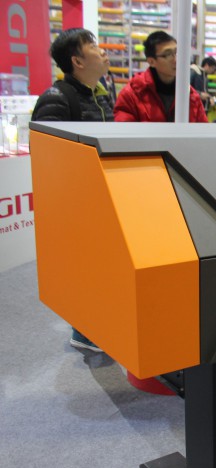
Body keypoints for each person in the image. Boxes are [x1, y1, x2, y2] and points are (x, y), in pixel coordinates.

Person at [32, 27, 115, 354]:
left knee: (103, 264)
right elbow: (47, 157)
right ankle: (84, 330)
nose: (102, 50)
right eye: (93, 46)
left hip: (102, 195)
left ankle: (97, 324)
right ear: (77, 61)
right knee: (85, 266)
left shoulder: (102, 94)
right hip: (76, 202)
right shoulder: (56, 98)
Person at [114, 31, 208, 123]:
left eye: (177, 52)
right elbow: (124, 130)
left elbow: (202, 130)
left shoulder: (190, 96)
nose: (176, 60)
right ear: (151, 61)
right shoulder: (132, 95)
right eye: (167, 55)